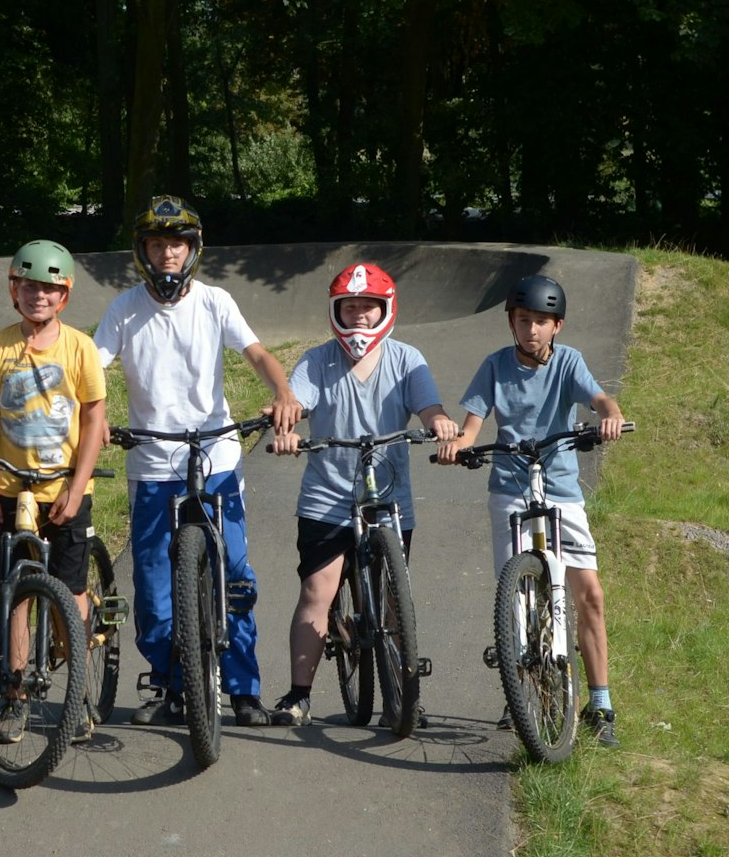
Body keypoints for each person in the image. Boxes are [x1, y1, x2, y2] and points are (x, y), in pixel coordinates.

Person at [93, 195, 302, 728]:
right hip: (152, 459)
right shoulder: (124, 310)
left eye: (177, 244)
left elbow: (255, 354)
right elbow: (92, 369)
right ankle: (170, 686)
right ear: (143, 251)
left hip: (217, 456)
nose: (168, 253)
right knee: (155, 585)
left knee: (233, 575)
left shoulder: (215, 301)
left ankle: (243, 692)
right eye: (158, 244)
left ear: (193, 250)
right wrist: (83, 415)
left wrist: (281, 390)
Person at [437, 273, 626, 746]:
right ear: (511, 322)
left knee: (590, 595)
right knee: (516, 597)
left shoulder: (569, 363)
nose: (533, 330)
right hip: (510, 489)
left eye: (542, 321)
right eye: (525, 320)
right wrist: (459, 445)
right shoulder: (495, 366)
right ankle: (519, 693)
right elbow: (474, 425)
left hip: (561, 491)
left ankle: (600, 703)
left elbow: (598, 396)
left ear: (557, 325)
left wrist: (609, 414)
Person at [266, 262, 457, 727]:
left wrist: (439, 423)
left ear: (384, 310)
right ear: (336, 311)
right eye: (349, 307)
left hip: (389, 497)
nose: (359, 316)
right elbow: (299, 400)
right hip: (328, 495)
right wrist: (286, 424)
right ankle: (299, 695)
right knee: (318, 590)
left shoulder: (407, 358)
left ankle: (405, 694)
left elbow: (428, 404)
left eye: (368, 307)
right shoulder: (317, 360)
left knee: (395, 600)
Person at [0, 240, 107, 745]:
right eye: (30, 286)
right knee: (15, 597)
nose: (39, 296)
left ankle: (79, 695)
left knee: (69, 596)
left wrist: (77, 485)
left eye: (49, 288)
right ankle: (16, 696)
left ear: (64, 295)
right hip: (9, 488)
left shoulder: (79, 348)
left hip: (63, 489)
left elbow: (94, 419)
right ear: (15, 289)